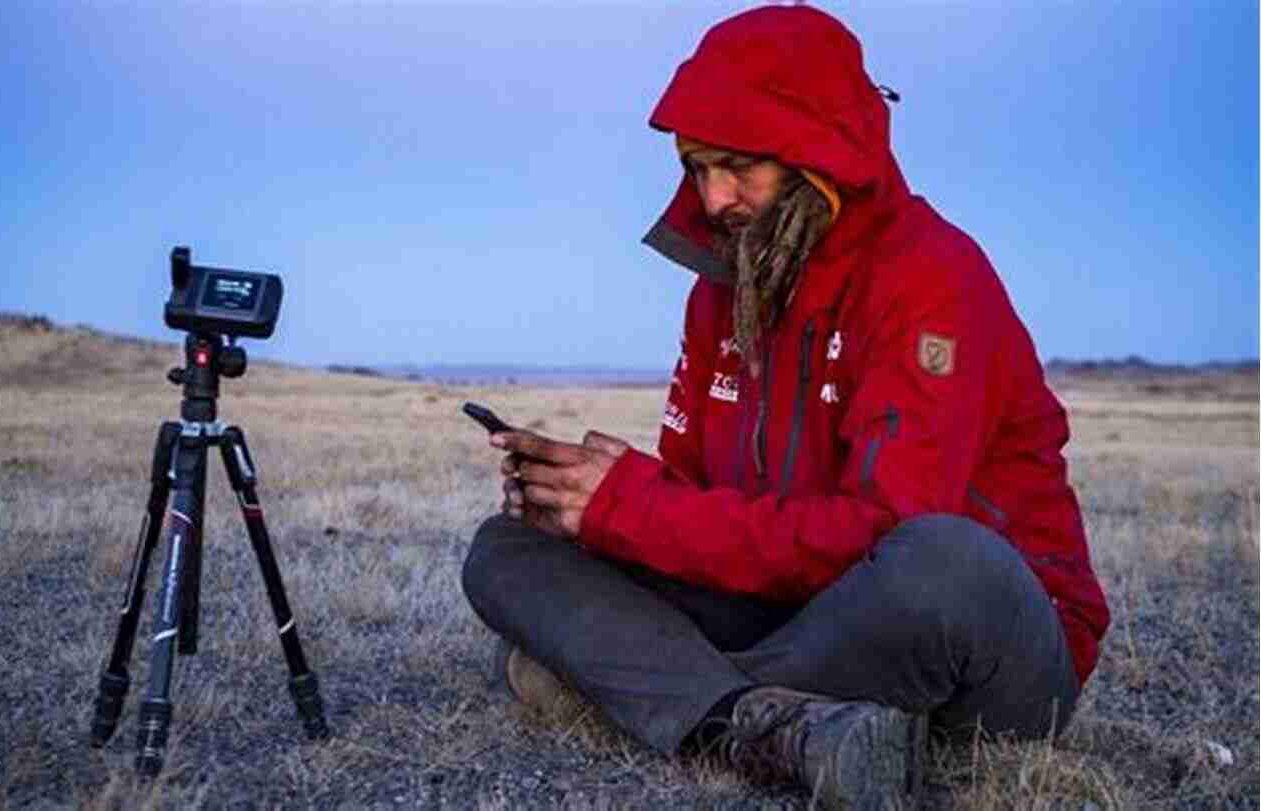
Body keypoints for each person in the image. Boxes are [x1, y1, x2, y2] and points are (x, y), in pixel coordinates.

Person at [461, 6, 1109, 809]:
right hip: (794, 613)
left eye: (738, 166)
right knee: (504, 551)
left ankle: (635, 689)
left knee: (944, 561)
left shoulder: (931, 274)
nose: (715, 196)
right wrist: (586, 509)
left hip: (982, 644)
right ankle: (771, 725)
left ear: (817, 154)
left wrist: (630, 512)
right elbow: (698, 503)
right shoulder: (720, 292)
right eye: (697, 167)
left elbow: (880, 531)